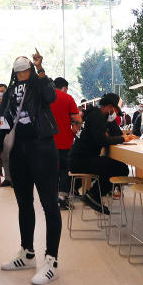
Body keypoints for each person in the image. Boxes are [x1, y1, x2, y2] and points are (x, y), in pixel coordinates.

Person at [0, 52, 61, 285]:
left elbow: (51, 96)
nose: (21, 65)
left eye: (26, 63)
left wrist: (41, 70)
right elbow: (4, 122)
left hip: (42, 147)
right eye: (19, 64)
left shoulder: (40, 85)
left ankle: (51, 260)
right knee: (23, 203)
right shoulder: (9, 91)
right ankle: (27, 252)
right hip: (19, 151)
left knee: (49, 204)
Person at [69, 93, 133, 214]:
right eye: (115, 111)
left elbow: (115, 133)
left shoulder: (101, 117)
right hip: (80, 160)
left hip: (83, 158)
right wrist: (123, 139)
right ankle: (93, 195)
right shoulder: (96, 116)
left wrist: (118, 132)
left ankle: (94, 195)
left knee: (119, 167)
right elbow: (101, 140)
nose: (115, 115)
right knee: (121, 168)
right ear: (109, 107)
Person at [50, 77, 82, 210]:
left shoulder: (46, 97)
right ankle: (62, 199)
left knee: (51, 170)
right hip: (64, 141)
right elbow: (77, 119)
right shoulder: (68, 98)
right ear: (64, 87)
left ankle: (51, 198)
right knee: (64, 170)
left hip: (47, 142)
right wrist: (74, 131)